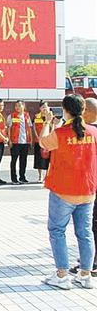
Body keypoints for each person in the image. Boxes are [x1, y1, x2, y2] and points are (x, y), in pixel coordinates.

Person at [39, 95, 97, 290]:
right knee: (85, 233)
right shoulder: (93, 132)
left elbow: (42, 143)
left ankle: (62, 275)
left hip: (63, 191)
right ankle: (85, 275)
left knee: (57, 231)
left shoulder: (60, 133)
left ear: (65, 110)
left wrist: (47, 122)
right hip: (87, 191)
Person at [70, 97, 97, 277]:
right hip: (90, 184)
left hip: (90, 184)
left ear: (87, 111)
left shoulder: (90, 131)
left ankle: (92, 263)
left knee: (91, 225)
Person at [7, 100, 33, 184]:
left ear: (23, 106)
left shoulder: (27, 116)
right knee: (14, 160)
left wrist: (31, 139)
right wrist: (9, 140)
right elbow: (9, 129)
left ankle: (22, 177)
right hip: (15, 142)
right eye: (16, 106)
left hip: (25, 142)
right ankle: (14, 178)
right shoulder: (11, 116)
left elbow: (29, 128)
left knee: (23, 160)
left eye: (19, 105)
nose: (17, 107)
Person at [33, 101, 52, 183]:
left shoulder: (50, 116)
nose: (44, 108)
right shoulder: (36, 117)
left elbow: (52, 128)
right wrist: (38, 137)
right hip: (38, 141)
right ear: (40, 108)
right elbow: (34, 128)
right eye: (43, 107)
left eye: (46, 107)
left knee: (48, 160)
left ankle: (47, 176)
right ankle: (40, 176)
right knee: (38, 159)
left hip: (48, 142)